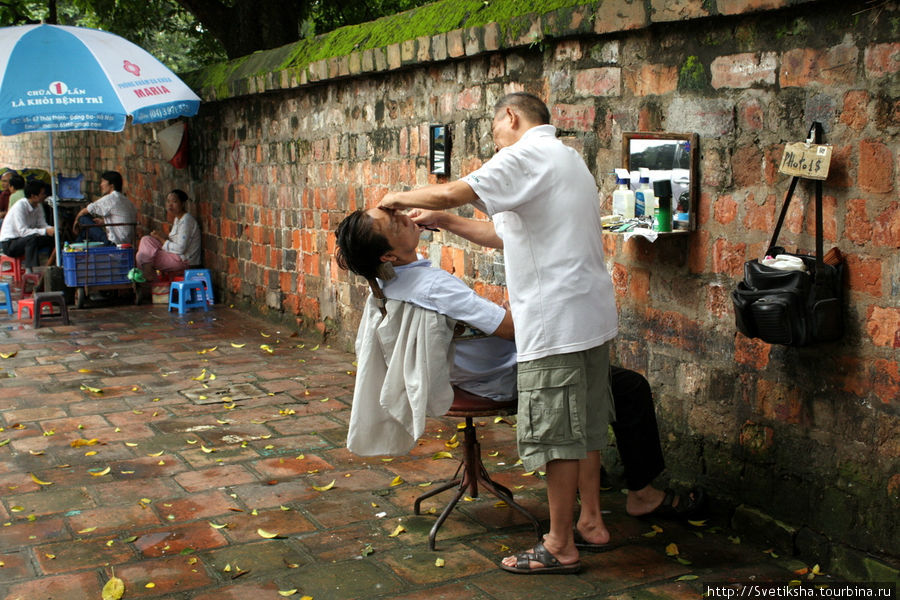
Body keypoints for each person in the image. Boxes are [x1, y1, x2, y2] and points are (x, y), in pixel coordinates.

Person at [335, 207, 705, 521]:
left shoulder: (388, 283)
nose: (402, 217)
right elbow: (511, 329)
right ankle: (642, 494)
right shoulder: (432, 285)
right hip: (499, 376)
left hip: (457, 375)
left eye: (395, 212)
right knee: (626, 386)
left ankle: (590, 475)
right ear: (387, 255)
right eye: (393, 222)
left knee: (608, 379)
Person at [380, 92, 618, 574]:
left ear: (511, 117)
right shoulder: (567, 159)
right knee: (588, 426)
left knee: (556, 435)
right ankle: (591, 523)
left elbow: (452, 190)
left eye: (493, 132)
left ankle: (558, 544)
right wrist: (446, 223)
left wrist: (394, 199)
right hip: (590, 316)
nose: (496, 144)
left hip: (556, 323)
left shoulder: (526, 154)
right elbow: (509, 234)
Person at [135, 189, 201, 281]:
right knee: (146, 240)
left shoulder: (186, 221)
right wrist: (162, 236)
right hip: (175, 256)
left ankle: (150, 279)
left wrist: (161, 239)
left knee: (141, 256)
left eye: (174, 202)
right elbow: (175, 240)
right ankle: (150, 277)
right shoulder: (178, 219)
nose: (170, 205)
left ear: (182, 204)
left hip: (184, 260)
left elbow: (181, 248)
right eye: (168, 202)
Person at [0, 180, 54, 273]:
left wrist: (51, 229)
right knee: (31, 239)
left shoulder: (38, 206)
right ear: (33, 196)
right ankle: (30, 271)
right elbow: (23, 232)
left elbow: (42, 224)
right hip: (10, 244)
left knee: (52, 238)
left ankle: (52, 266)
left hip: (24, 240)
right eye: (42, 194)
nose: (44, 195)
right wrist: (45, 231)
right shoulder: (20, 206)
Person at [73, 170, 136, 245]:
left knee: (83, 219)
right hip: (126, 242)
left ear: (111, 185)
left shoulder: (111, 198)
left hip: (114, 243)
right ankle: (73, 249)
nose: (101, 185)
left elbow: (84, 211)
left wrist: (75, 223)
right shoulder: (127, 201)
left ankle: (70, 250)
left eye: (103, 182)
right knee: (85, 233)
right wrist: (103, 222)